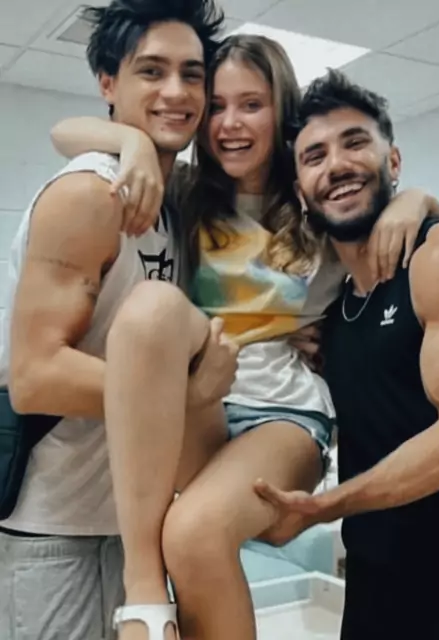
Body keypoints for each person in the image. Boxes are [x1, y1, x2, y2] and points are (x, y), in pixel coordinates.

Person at [50, 37, 439, 640]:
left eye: (252, 104)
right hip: (202, 399)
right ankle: (145, 594)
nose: (230, 123)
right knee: (150, 309)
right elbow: (64, 132)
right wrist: (132, 142)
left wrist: (419, 200)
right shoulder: (184, 192)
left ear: (280, 111)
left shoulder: (311, 203)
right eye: (217, 107)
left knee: (193, 535)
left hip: (283, 413)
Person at [0, 2, 238, 640]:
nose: (176, 92)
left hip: (140, 527)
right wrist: (184, 395)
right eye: (151, 71)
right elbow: (34, 376)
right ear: (109, 83)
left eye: (192, 74)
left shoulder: (172, 204)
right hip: (57, 530)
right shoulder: (90, 194)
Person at [254, 70, 439, 640]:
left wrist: (326, 506)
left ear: (393, 161)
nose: (336, 165)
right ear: (301, 190)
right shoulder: (332, 308)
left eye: (355, 143)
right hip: (375, 588)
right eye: (315, 156)